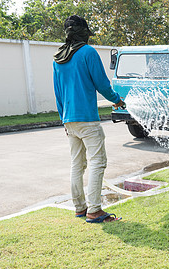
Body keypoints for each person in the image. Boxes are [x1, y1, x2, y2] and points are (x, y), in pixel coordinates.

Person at [53, 15, 125, 223]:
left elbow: (58, 94)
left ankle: (80, 208)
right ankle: (94, 210)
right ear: (83, 33)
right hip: (87, 119)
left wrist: (63, 120)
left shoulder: (58, 58)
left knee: (77, 164)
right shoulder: (88, 52)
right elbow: (102, 85)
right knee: (97, 162)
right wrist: (117, 100)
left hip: (69, 120)